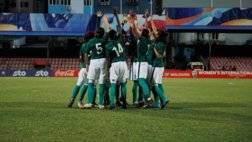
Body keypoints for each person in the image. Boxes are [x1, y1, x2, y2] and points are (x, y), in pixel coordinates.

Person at [67, 33, 94, 108]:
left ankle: (72, 99)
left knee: (79, 84)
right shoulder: (92, 44)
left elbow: (80, 58)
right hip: (90, 67)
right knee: (88, 84)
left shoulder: (83, 45)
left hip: (83, 68)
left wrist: (83, 66)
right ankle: (80, 101)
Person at [84, 27, 107, 109]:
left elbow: (86, 53)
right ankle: (101, 104)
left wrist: (87, 64)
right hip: (103, 60)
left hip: (94, 61)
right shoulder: (104, 40)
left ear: (96, 33)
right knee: (101, 82)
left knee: (91, 81)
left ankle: (90, 102)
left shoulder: (91, 41)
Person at [105, 30, 129, 109]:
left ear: (109, 36)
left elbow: (108, 58)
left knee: (113, 84)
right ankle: (124, 103)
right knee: (123, 84)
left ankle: (112, 103)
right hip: (123, 63)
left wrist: (108, 69)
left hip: (115, 63)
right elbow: (121, 34)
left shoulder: (108, 45)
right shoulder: (120, 41)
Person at [152, 30, 169, 109]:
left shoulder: (157, 44)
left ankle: (164, 98)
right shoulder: (164, 44)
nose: (156, 34)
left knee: (155, 85)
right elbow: (164, 54)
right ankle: (162, 102)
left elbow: (158, 55)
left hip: (157, 65)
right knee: (159, 83)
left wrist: (154, 49)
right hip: (161, 65)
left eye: (158, 34)